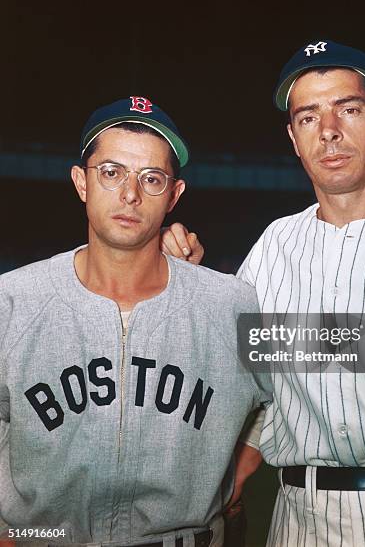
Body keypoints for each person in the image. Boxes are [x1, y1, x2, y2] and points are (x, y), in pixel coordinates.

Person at [162, 40, 365, 546]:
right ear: (293, 138)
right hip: (303, 518)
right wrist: (183, 283)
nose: (329, 132)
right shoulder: (275, 246)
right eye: (308, 117)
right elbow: (250, 388)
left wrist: (300, 341)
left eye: (348, 109)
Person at [0, 96, 271, 547]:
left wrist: (243, 465)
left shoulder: (230, 303)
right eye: (111, 173)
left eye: (151, 178)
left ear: (174, 195)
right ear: (81, 182)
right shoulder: (12, 301)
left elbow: (295, 386)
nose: (130, 195)